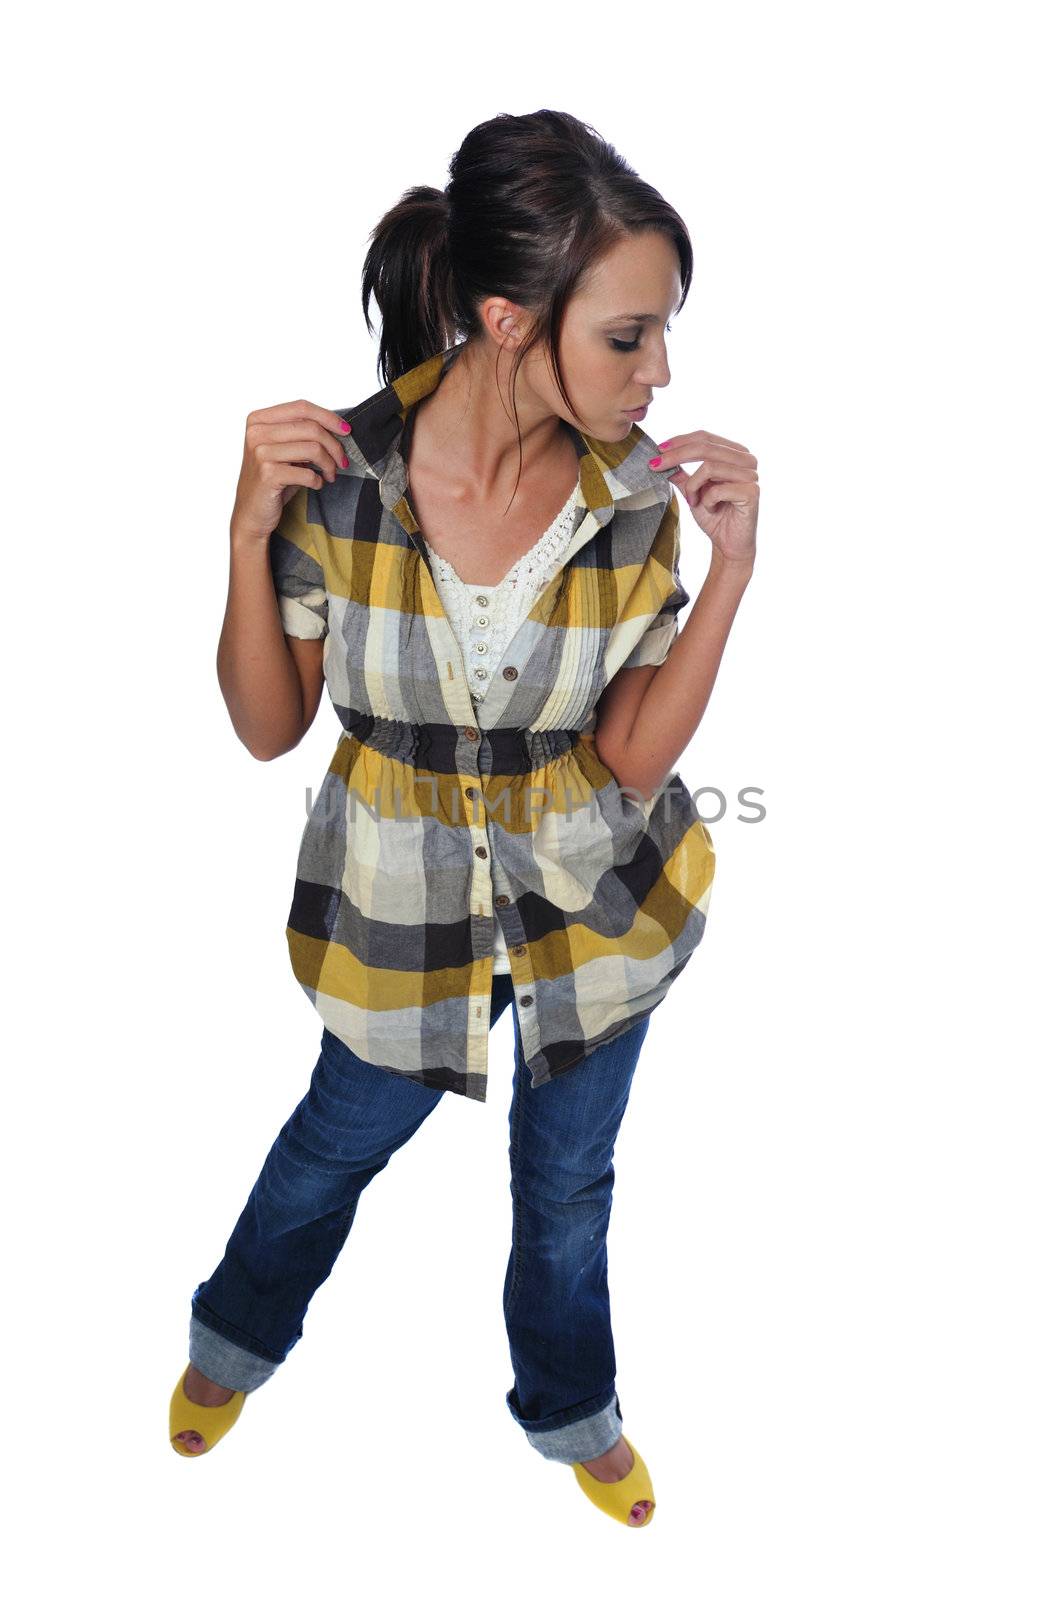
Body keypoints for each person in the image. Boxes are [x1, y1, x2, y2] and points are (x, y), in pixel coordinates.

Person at [169, 108, 759, 1529]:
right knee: (331, 1144)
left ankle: (570, 1410)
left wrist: (732, 573)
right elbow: (267, 728)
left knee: (567, 1193)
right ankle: (232, 1341)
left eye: (664, 330)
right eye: (629, 334)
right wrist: (245, 531)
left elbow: (624, 763)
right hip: (396, 913)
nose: (660, 369)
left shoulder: (634, 506)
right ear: (510, 320)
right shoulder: (344, 479)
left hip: (595, 918)